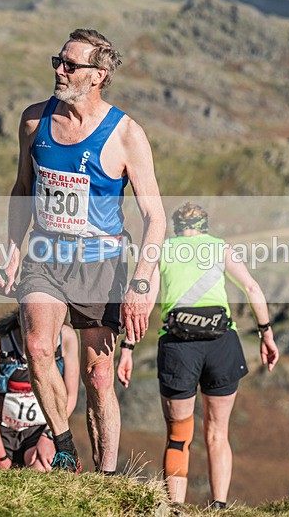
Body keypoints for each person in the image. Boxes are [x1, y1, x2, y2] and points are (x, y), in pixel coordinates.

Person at [0, 28, 166, 473]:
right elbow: (22, 190)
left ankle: (106, 478)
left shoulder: (126, 134)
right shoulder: (34, 120)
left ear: (98, 76)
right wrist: (13, 253)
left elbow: (155, 218)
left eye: (70, 64)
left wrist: (142, 281)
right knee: (36, 347)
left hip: (100, 264)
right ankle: (65, 446)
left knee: (99, 375)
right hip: (45, 257)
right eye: (57, 60)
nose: (59, 70)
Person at [119, 202, 278, 508]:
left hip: (179, 348)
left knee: (179, 434)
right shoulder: (221, 248)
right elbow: (252, 288)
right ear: (205, 226)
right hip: (221, 344)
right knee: (218, 433)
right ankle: (218, 506)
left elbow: (145, 302)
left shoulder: (163, 251)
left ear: (177, 228)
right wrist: (266, 334)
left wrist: (128, 348)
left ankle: (176, 507)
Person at [0, 308, 79, 471]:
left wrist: (49, 436)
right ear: (20, 319)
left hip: (41, 429)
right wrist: (0, 457)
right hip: (3, 430)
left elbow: (71, 396)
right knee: (0, 478)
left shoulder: (66, 338)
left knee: (43, 468)